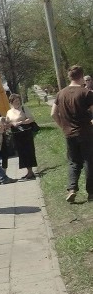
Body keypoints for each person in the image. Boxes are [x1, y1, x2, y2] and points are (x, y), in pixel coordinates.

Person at [51, 65, 93, 202]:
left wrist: (63, 126)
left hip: (69, 133)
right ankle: (91, 193)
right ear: (81, 76)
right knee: (89, 161)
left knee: (73, 162)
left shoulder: (60, 93)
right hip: (85, 133)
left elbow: (53, 113)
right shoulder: (86, 93)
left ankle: (72, 188)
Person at [6, 93, 38, 180]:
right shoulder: (9, 112)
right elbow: (8, 123)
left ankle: (30, 172)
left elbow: (31, 119)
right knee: (21, 153)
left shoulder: (24, 108)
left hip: (26, 133)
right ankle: (28, 172)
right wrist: (11, 123)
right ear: (11, 102)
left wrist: (21, 122)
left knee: (29, 151)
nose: (18, 102)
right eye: (15, 101)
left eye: (18, 100)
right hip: (16, 135)